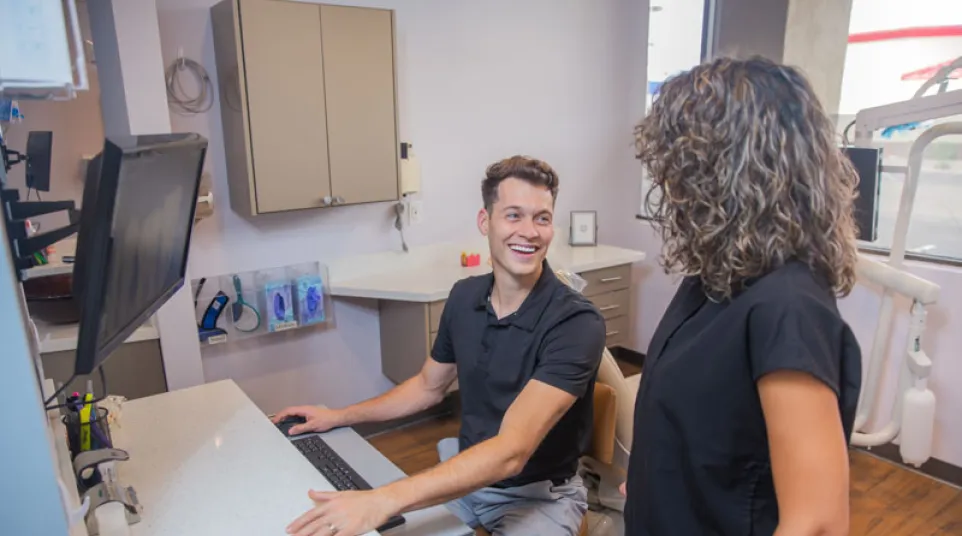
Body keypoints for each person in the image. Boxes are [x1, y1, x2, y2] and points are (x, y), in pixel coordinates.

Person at [275, 155, 607, 536]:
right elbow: (428, 386)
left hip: (539, 495)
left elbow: (512, 452)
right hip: (469, 477)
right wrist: (338, 415)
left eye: (542, 218)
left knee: (380, 506)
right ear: (486, 222)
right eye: (513, 215)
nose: (529, 231)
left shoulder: (576, 323)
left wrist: (384, 499)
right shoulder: (464, 297)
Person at [625, 56, 863, 536]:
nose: (670, 186)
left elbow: (816, 523)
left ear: (727, 170)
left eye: (681, 166)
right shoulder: (714, 279)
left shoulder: (788, 307)